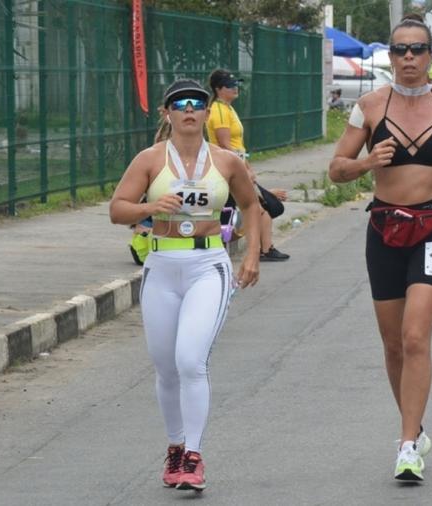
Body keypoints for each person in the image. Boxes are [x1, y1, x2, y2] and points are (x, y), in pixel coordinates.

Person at [328, 14, 432, 482]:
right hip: (385, 229)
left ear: (430, 56)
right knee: (393, 344)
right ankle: (416, 425)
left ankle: (407, 443)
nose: (409, 58)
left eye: (417, 50)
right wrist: (367, 161)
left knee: (415, 336)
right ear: (390, 57)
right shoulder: (370, 107)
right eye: (400, 50)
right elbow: (336, 168)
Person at [109, 79, 262, 490]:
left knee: (190, 360)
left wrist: (251, 253)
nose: (189, 110)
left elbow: (251, 203)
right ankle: (175, 448)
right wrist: (149, 206)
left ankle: (193, 456)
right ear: (167, 113)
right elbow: (117, 210)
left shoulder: (226, 161)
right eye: (180, 104)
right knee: (165, 367)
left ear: (208, 112)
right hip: (161, 265)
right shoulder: (149, 159)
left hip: (207, 264)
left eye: (197, 103)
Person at [205, 69, 289, 261]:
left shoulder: (227, 108)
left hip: (239, 163)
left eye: (236, 84)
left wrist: (248, 167)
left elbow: (238, 146)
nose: (235, 88)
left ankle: (266, 248)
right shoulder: (218, 111)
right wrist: (243, 170)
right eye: (229, 85)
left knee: (264, 207)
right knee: (256, 207)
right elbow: (225, 145)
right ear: (218, 89)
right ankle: (261, 249)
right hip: (228, 168)